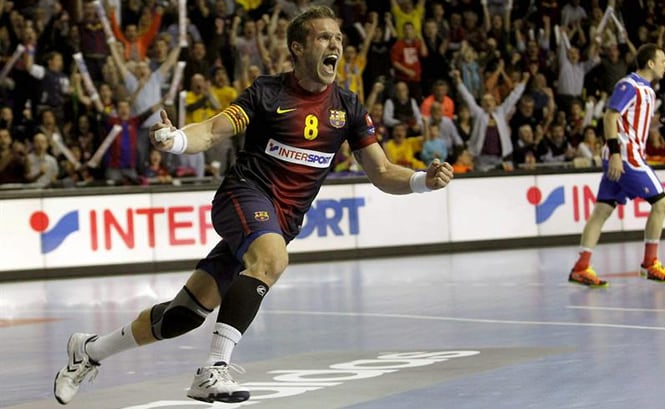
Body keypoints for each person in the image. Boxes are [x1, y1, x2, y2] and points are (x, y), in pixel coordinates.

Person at [53, 6, 453, 405]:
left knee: (184, 315)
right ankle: (213, 370)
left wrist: (422, 180)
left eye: (338, 39)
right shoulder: (267, 93)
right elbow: (211, 131)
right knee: (272, 260)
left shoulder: (348, 107)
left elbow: (382, 172)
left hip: (281, 220)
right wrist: (174, 141)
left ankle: (89, 351)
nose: (335, 44)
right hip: (243, 196)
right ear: (297, 48)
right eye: (323, 37)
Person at [568, 43, 665, 287]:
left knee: (601, 211)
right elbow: (610, 116)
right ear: (651, 63)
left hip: (626, 154)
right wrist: (614, 153)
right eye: (663, 60)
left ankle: (581, 267)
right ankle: (650, 263)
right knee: (661, 202)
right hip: (626, 157)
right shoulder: (629, 85)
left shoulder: (648, 90)